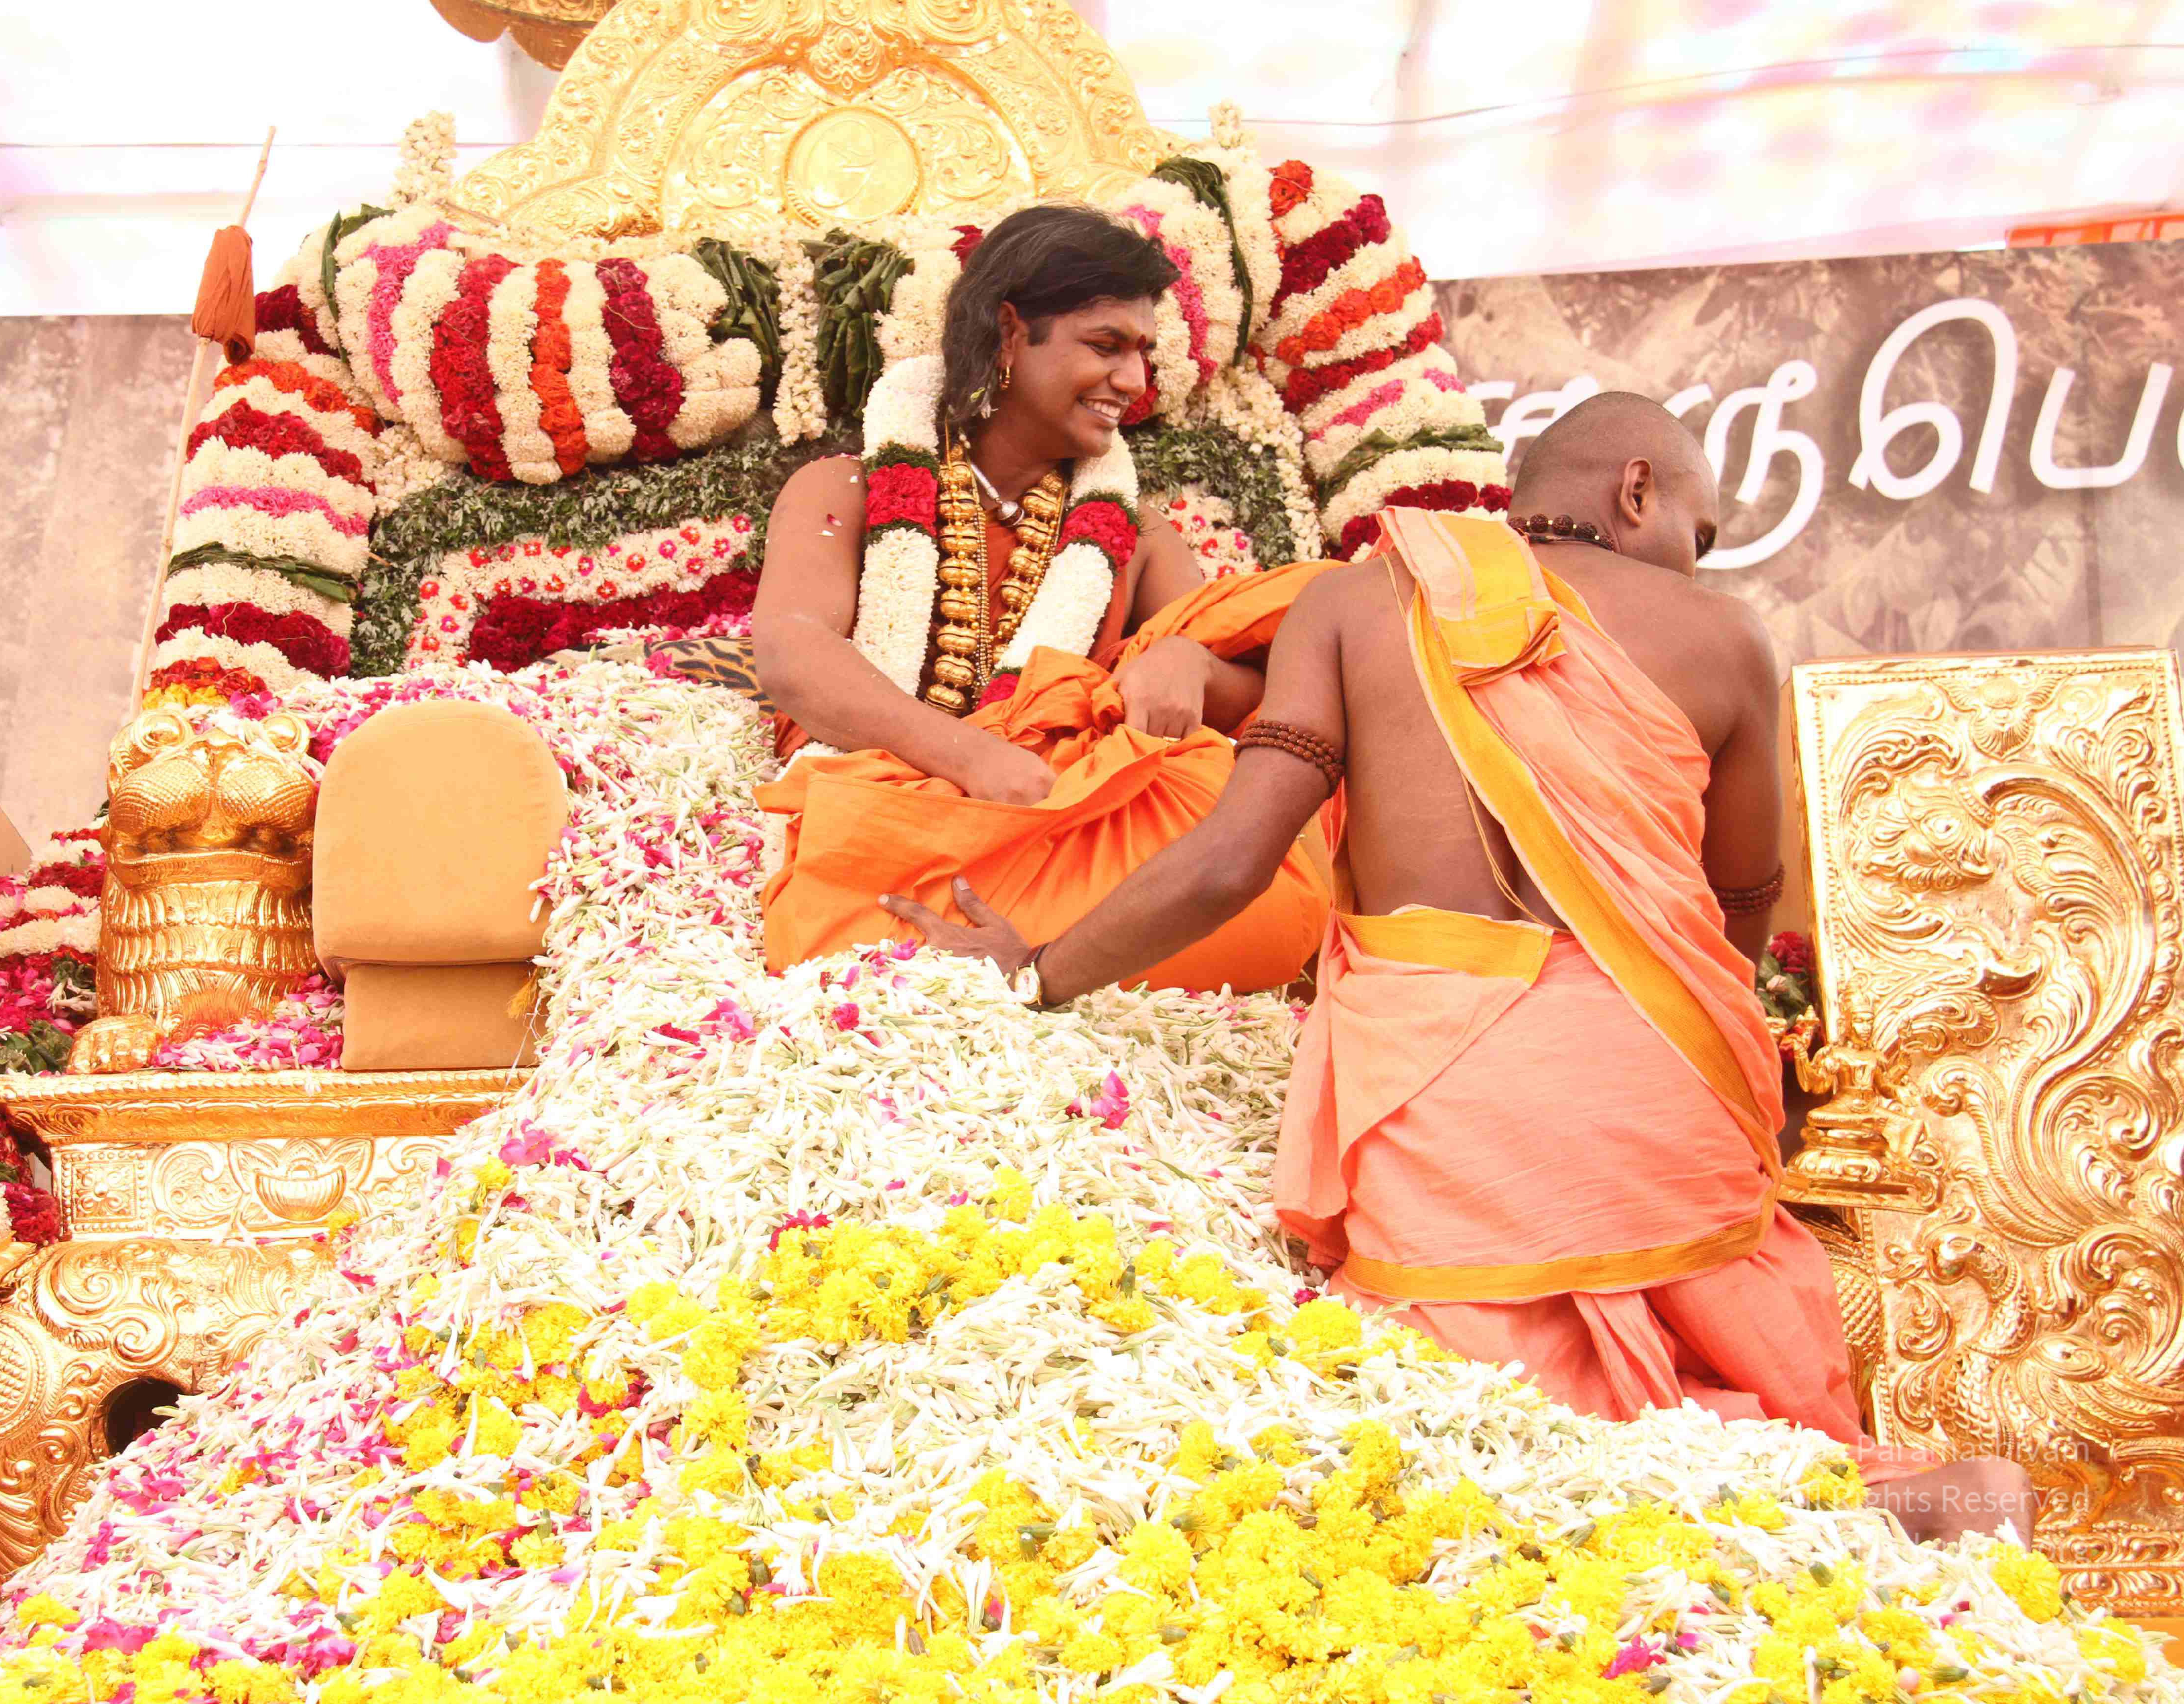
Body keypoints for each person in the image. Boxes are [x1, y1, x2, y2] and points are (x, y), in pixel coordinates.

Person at [887, 391, 2034, 1544]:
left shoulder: (1354, 604)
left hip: (1446, 1096)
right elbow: (1738, 906)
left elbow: (1230, 863)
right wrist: (1686, 1036)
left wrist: (1036, 967)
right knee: (1679, 1405)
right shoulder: (1725, 638)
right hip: (1660, 1087)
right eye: (1702, 530)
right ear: (1637, 490)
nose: (1701, 560)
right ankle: (1927, 1504)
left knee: (1486, 1455)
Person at [752, 205, 1331, 994]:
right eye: (1106, 346)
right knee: (854, 943)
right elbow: (793, 652)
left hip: (1065, 828)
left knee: (1263, 901)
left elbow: (1258, 700)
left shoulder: (1135, 534)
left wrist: (1189, 663)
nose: (1134, 382)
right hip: (887, 827)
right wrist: (976, 759)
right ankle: (1042, 963)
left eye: (1143, 353)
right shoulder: (845, 489)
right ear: (1009, 334)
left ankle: (1045, 962)